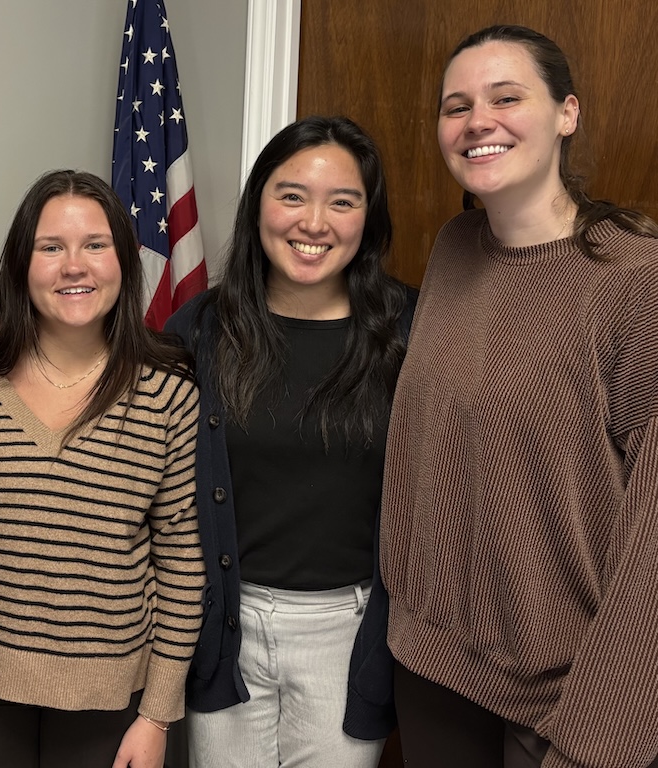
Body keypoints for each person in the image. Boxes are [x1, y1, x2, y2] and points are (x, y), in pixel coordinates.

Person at [381, 24, 658, 768]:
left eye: (507, 98)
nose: (478, 121)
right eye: (457, 105)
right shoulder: (452, 248)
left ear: (567, 113)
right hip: (430, 671)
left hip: (566, 705)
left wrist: (602, 739)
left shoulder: (634, 283)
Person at [0, 169, 205, 768]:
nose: (73, 265)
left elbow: (182, 560)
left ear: (125, 263)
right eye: (50, 247)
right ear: (21, 265)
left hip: (108, 695)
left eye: (95, 246)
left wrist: (157, 714)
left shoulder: (168, 392)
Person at [165, 115, 416, 767]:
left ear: (369, 218)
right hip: (223, 629)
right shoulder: (200, 330)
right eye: (292, 195)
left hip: (350, 631)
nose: (314, 222)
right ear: (258, 207)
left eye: (343, 201)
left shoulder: (412, 331)